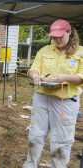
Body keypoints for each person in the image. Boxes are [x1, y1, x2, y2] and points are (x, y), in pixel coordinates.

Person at [23, 19, 83, 168]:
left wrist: (65, 78)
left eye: (60, 36)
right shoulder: (44, 51)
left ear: (69, 32)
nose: (57, 39)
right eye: (54, 36)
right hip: (42, 97)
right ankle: (30, 165)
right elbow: (33, 69)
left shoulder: (80, 52)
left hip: (65, 101)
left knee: (61, 140)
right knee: (36, 135)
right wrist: (35, 75)